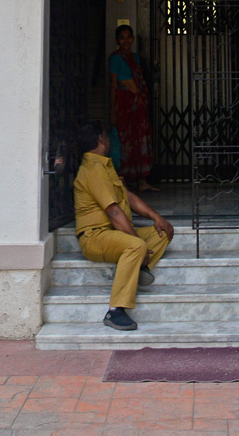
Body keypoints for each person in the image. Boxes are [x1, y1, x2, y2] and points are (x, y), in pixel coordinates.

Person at [72, 118, 173, 331]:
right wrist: (139, 244)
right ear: (101, 139)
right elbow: (114, 212)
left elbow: (128, 197)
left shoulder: (104, 166)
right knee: (136, 245)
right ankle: (115, 311)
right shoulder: (93, 169)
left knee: (162, 233)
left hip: (112, 235)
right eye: (107, 136)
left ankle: (137, 267)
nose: (110, 140)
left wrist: (157, 217)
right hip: (95, 237)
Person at [107, 24, 155, 187]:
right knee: (125, 141)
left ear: (133, 39)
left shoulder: (135, 58)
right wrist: (112, 111)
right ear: (117, 40)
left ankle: (142, 181)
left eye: (128, 37)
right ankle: (125, 182)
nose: (125, 40)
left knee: (140, 140)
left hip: (138, 105)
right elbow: (114, 85)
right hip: (124, 106)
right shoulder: (115, 58)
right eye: (122, 37)